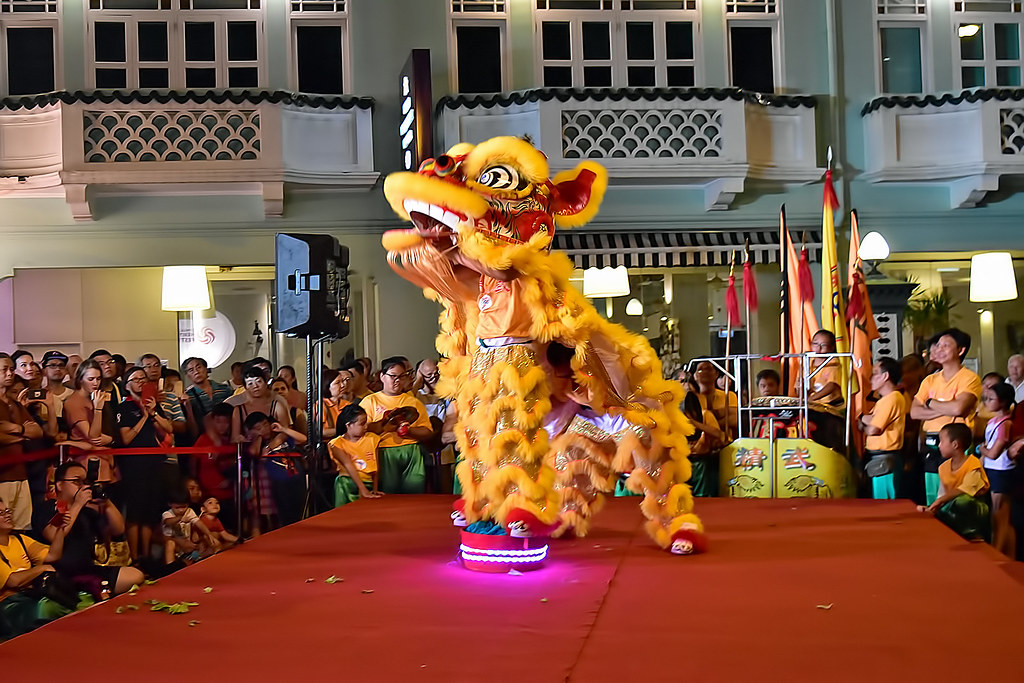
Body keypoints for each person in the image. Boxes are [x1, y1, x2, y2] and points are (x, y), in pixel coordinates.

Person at [41, 461, 143, 597]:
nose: (83, 487)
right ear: (59, 485)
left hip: (88, 569)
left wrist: (106, 503)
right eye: (77, 482)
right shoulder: (47, 508)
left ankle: (90, 591)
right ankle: (89, 592)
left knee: (135, 575)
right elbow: (52, 535)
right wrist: (77, 504)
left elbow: (118, 530)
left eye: (85, 482)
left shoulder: (87, 512)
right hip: (60, 573)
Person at [910, 329, 983, 506]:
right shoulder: (930, 380)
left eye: (945, 345)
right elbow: (914, 412)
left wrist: (930, 402)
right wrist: (946, 408)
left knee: (955, 497)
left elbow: (959, 408)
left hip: (956, 444)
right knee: (932, 494)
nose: (939, 349)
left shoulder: (969, 378)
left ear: (960, 350)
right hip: (932, 443)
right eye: (938, 345)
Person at [117, 366, 174, 561]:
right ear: (127, 384)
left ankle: (147, 554)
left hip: (155, 463)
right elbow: (126, 438)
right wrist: (143, 416)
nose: (141, 382)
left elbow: (168, 430)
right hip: (134, 465)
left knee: (150, 511)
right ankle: (134, 556)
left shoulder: (153, 404)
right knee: (135, 513)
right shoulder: (124, 407)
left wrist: (154, 413)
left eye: (143, 378)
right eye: (136, 379)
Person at [0, 494, 70, 641]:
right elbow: (13, 581)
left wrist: (60, 530)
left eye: (7, 511)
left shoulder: (19, 539)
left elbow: (53, 555)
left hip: (30, 595)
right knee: (45, 608)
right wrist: (40, 569)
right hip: (8, 604)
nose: (7, 516)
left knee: (64, 601)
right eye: (1, 513)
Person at [359, 357, 433, 494]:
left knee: (414, 491)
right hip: (384, 450)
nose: (397, 380)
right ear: (382, 376)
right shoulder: (370, 401)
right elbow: (361, 429)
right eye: (393, 376)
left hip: (411, 451)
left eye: (401, 377)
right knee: (389, 492)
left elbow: (427, 431)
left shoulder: (412, 401)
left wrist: (408, 431)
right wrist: (384, 424)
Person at [917, 423, 990, 541]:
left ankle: (972, 534)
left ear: (955, 444)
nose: (939, 445)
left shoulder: (973, 464)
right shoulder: (943, 467)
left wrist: (941, 500)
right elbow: (942, 494)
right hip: (951, 506)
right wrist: (932, 507)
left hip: (973, 509)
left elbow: (966, 489)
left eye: (942, 441)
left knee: (962, 501)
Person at [243, 412, 307, 531]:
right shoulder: (259, 444)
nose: (264, 429)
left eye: (265, 424)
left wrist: (283, 429)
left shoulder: (282, 438)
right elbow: (254, 453)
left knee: (300, 509)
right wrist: (258, 437)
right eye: (258, 428)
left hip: (296, 477)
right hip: (278, 482)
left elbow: (303, 438)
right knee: (285, 513)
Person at [0, 353, 42, 531]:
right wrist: (23, 436)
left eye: (11, 369)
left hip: (21, 474)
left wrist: (17, 430)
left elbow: (37, 432)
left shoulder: (14, 404)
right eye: (4, 370)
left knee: (22, 527)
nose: (9, 373)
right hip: (2, 476)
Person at [858, 358, 906, 500]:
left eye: (875, 373)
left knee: (885, 502)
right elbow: (867, 419)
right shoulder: (883, 400)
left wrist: (865, 424)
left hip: (885, 458)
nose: (871, 378)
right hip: (878, 458)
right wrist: (867, 420)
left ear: (885, 376)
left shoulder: (892, 399)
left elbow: (873, 429)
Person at [978, 382, 1015, 557]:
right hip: (994, 469)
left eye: (991, 399)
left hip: (1001, 470)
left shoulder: (1004, 424)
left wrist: (981, 449)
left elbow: (993, 453)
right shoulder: (994, 420)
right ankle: (1006, 553)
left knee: (1000, 516)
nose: (987, 402)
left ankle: (998, 553)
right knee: (1001, 515)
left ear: (1003, 401)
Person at [327, 403, 384, 505]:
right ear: (348, 425)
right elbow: (348, 465)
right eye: (362, 424)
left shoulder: (372, 439)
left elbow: (376, 466)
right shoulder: (337, 444)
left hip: (368, 483)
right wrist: (362, 489)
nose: (366, 426)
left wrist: (375, 488)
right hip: (347, 484)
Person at [227, 366, 291, 443]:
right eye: (250, 383)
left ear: (265, 383)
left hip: (275, 450)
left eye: (259, 381)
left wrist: (269, 447)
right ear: (245, 387)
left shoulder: (277, 405)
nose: (255, 386)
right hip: (249, 450)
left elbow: (285, 432)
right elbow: (234, 437)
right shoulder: (239, 410)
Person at [162, 488, 219, 564]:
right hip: (176, 546)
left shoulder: (189, 511)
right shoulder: (167, 514)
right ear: (170, 504)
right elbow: (168, 522)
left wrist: (208, 534)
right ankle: (171, 567)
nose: (181, 510)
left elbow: (199, 523)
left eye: (184, 507)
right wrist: (180, 518)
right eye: (177, 507)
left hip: (188, 546)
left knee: (209, 539)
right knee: (170, 544)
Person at [183, 356, 232, 427]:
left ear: (206, 369)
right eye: (191, 370)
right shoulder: (188, 396)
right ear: (187, 375)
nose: (196, 372)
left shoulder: (224, 389)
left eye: (199, 367)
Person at [320, 369, 351, 440]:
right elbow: (321, 431)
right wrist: (345, 430)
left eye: (342, 381)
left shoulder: (347, 404)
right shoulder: (320, 406)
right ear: (327, 386)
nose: (343, 385)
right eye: (337, 383)